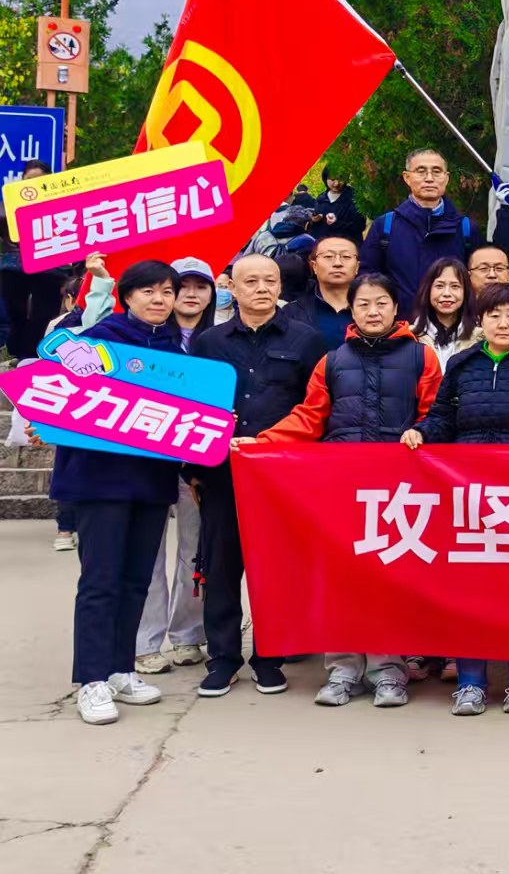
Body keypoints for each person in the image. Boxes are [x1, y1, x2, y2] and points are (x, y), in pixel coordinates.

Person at [245, 271, 441, 709]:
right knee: (340, 578)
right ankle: (342, 669)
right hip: (342, 485)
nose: (373, 311)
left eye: (381, 303)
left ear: (396, 308)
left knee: (389, 578)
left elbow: (434, 415)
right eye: (363, 304)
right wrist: (262, 442)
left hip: (397, 487)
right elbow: (309, 416)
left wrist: (422, 435)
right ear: (351, 310)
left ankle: (388, 671)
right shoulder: (333, 361)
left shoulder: (421, 357)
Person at [404, 282, 509, 715]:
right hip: (469, 493)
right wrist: (421, 432)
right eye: (494, 314)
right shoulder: (462, 365)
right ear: (480, 319)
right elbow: (442, 418)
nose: (503, 322)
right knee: (471, 589)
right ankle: (470, 683)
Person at [190, 255, 329, 699]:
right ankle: (223, 660)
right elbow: (192, 408)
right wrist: (194, 472)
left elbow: (317, 406)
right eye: (251, 281)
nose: (262, 288)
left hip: (281, 476)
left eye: (270, 280)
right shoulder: (209, 342)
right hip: (222, 473)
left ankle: (270, 658)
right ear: (232, 287)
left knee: (276, 570)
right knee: (221, 567)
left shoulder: (305, 339)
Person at [56, 261, 184, 725]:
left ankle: (119, 669)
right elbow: (59, 393)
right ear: (126, 296)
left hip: (151, 481)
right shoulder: (97, 340)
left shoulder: (175, 349)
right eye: (148, 291)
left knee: (136, 580)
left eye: (166, 291)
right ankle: (91, 680)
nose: (159, 300)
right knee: (100, 580)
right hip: (99, 479)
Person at [129, 257, 218, 676]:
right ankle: (146, 642)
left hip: (196, 465)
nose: (191, 294)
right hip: (145, 463)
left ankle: (187, 635)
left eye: (202, 286)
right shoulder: (144, 338)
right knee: (147, 555)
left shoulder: (217, 340)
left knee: (194, 553)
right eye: (182, 286)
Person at [360, 148, 476, 305]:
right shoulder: (385, 226)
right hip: (401, 318)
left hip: (451, 318)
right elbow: (367, 279)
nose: (429, 178)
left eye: (437, 172)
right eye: (421, 171)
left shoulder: (465, 228)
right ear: (407, 177)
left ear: (447, 178)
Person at [1, 159, 64, 361]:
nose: (34, 184)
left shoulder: (61, 205)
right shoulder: (8, 204)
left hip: (50, 268)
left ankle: (37, 354)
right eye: (29, 180)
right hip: (14, 266)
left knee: (44, 314)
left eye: (40, 180)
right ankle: (15, 353)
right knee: (13, 312)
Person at [287, 235, 359, 349]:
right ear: (314, 266)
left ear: (357, 267)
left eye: (346, 256)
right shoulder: (291, 313)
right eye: (328, 256)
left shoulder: (377, 311)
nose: (338, 263)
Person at [410, 257, 477, 365]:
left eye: (455, 286)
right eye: (439, 286)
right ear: (428, 290)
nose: (447, 293)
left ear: (465, 292)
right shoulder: (410, 337)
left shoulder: (480, 338)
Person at [309, 167, 365, 242]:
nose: (336, 183)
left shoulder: (354, 198)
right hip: (323, 244)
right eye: (332, 179)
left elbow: (359, 226)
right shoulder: (321, 199)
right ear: (325, 179)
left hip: (345, 245)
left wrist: (336, 223)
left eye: (340, 179)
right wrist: (314, 220)